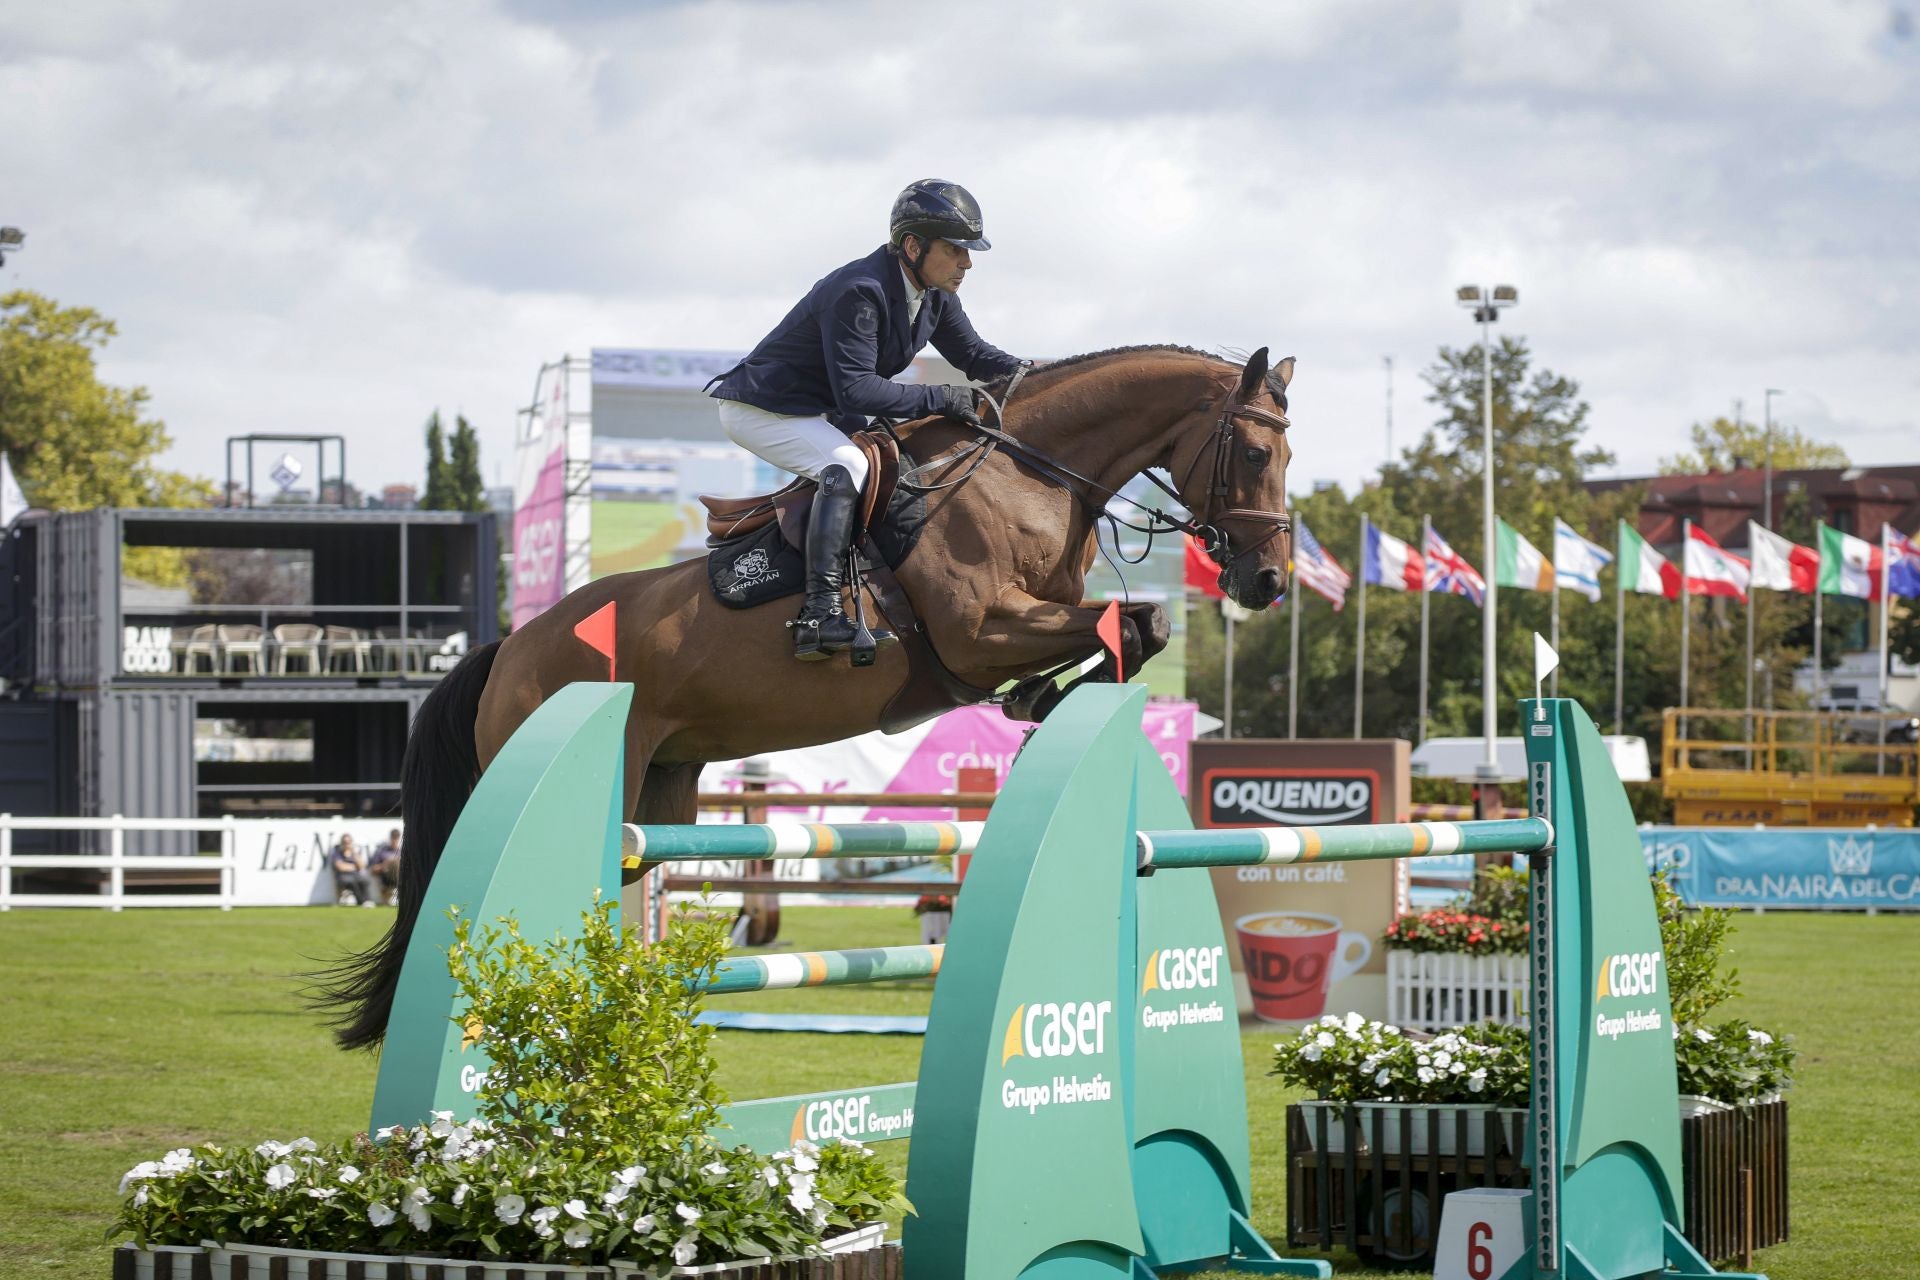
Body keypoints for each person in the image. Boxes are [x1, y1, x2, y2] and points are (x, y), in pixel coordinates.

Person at [708, 179, 1024, 660]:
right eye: (955, 249)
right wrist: (940, 397)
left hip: (817, 411)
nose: (967, 262)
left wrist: (1050, 377)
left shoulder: (934, 295)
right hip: (763, 410)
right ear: (912, 246)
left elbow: (979, 358)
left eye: (969, 250)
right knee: (849, 467)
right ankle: (818, 614)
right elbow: (855, 388)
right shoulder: (859, 289)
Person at [330, 834, 377, 908]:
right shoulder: (337, 853)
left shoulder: (354, 853)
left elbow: (361, 866)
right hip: (343, 876)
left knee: (364, 880)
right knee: (351, 881)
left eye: (348, 842)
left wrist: (353, 853)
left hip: (355, 875)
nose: (347, 844)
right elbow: (340, 867)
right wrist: (354, 867)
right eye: (345, 842)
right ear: (342, 843)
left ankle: (368, 900)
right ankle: (361, 901)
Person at [368, 828, 403, 905]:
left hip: (401, 876)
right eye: (393, 838)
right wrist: (385, 864)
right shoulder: (382, 851)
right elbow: (373, 869)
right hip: (385, 876)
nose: (395, 840)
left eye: (396, 838)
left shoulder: (403, 852)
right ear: (390, 838)